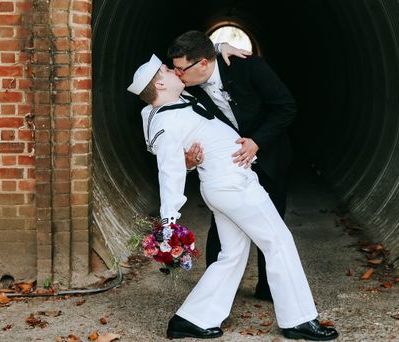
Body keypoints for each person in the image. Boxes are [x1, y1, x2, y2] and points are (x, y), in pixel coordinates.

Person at [128, 55, 338, 341]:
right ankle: (298, 319)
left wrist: (219, 45)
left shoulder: (178, 99)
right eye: (167, 69)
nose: (174, 69)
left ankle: (191, 319)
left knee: (232, 255)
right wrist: (169, 222)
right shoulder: (166, 122)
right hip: (232, 187)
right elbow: (169, 173)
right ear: (161, 83)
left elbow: (202, 58)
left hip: (229, 185)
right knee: (278, 242)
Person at [168, 30, 295, 302]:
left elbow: (286, 106)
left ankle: (270, 288)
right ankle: (217, 293)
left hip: (269, 158)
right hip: (227, 170)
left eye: (181, 69)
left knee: (272, 226)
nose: (177, 75)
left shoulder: (251, 68)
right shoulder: (187, 93)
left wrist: (257, 142)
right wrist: (189, 160)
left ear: (203, 63)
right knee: (220, 227)